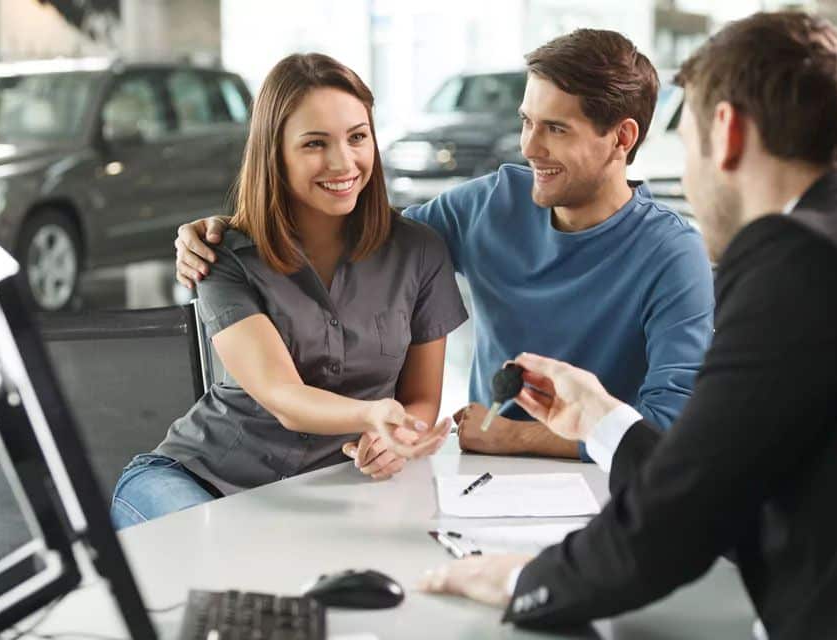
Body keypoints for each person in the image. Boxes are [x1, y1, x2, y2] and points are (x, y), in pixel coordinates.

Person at [417, 12, 837, 639]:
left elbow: (683, 516)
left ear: (725, 133)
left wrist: (521, 580)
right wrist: (598, 418)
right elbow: (718, 467)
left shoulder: (796, 260)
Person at [172, 29, 715, 463]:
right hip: (482, 477)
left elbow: (670, 428)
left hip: (608, 486)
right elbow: (357, 228)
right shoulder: (486, 205)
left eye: (556, 129)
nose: (529, 146)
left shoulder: (673, 254)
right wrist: (228, 229)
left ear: (622, 138)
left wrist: (514, 437)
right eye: (527, 122)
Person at [110, 53, 466, 529]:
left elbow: (421, 398)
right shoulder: (223, 255)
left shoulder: (418, 251)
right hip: (195, 480)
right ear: (273, 153)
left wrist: (395, 438)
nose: (343, 161)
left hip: (327, 492)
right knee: (226, 564)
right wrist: (374, 414)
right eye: (315, 143)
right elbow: (282, 395)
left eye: (358, 137)